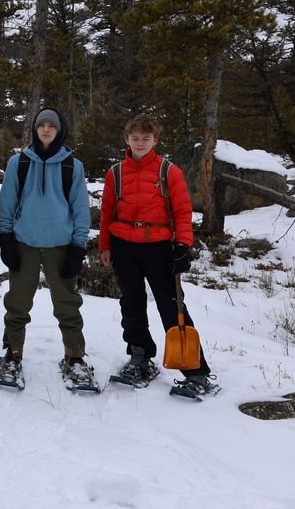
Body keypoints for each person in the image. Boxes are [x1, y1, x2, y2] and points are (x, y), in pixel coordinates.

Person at [99, 114, 220, 397]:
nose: (140, 143)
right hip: (124, 246)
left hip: (159, 247)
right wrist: (105, 246)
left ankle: (196, 373)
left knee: (172, 306)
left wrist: (182, 246)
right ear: (126, 140)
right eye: (135, 138)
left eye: (146, 138)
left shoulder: (169, 171)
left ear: (155, 140)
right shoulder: (115, 173)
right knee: (131, 303)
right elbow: (107, 212)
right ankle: (141, 358)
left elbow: (181, 211)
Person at [0, 107, 95, 390]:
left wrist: (78, 248)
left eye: (52, 125)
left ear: (60, 129)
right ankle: (12, 354)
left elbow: (80, 210)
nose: (46, 129)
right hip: (24, 243)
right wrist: (5, 239)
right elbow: (7, 203)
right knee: (17, 303)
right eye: (41, 125)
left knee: (67, 305)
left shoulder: (72, 166)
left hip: (60, 246)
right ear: (35, 130)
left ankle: (74, 357)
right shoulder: (19, 162)